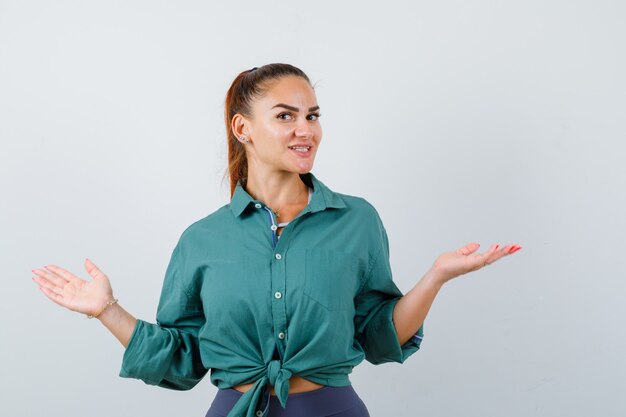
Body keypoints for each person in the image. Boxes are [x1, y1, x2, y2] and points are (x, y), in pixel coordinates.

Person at [32, 63, 522, 417]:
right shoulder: (203, 239)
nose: (305, 129)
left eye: (312, 115)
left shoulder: (357, 220)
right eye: (286, 116)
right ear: (242, 128)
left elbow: (379, 337)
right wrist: (107, 310)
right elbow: (183, 359)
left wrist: (436, 277)